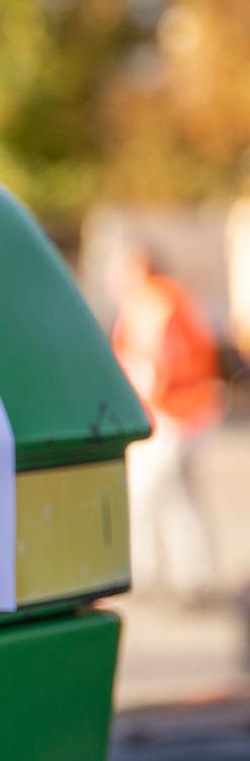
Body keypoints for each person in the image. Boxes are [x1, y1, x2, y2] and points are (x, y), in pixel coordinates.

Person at [111, 245, 225, 603]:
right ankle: (194, 573)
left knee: (143, 495)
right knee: (181, 496)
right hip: (195, 410)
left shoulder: (153, 301)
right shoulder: (178, 298)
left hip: (170, 413)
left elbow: (152, 360)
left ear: (140, 268)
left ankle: (139, 571)